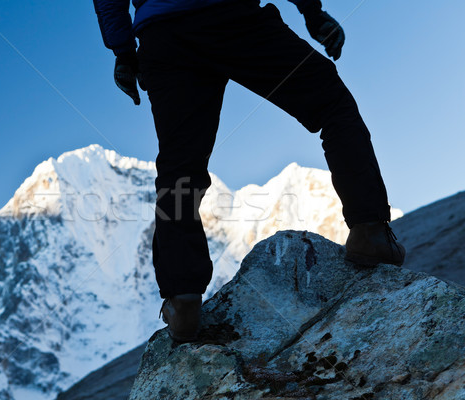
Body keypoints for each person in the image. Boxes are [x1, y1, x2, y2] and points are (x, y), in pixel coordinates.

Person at [92, 0, 406, 342]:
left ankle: (182, 300)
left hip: (163, 38)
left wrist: (122, 52)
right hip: (233, 16)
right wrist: (312, 13)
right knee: (332, 106)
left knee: (180, 168)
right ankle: (370, 231)